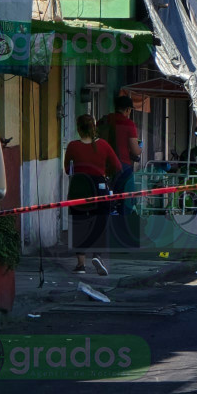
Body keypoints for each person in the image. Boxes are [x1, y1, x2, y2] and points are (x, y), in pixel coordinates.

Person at [65, 114, 122, 274]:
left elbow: (67, 169)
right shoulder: (103, 145)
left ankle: (81, 264)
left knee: (78, 224)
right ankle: (97, 254)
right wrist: (105, 173)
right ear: (94, 127)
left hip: (79, 188)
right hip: (99, 187)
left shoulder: (72, 146)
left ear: (78, 129)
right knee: (101, 222)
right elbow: (117, 166)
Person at [98, 95, 142, 214]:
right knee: (126, 199)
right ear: (128, 109)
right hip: (122, 166)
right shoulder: (128, 124)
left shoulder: (104, 120)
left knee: (105, 198)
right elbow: (135, 150)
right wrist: (140, 148)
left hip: (104, 166)